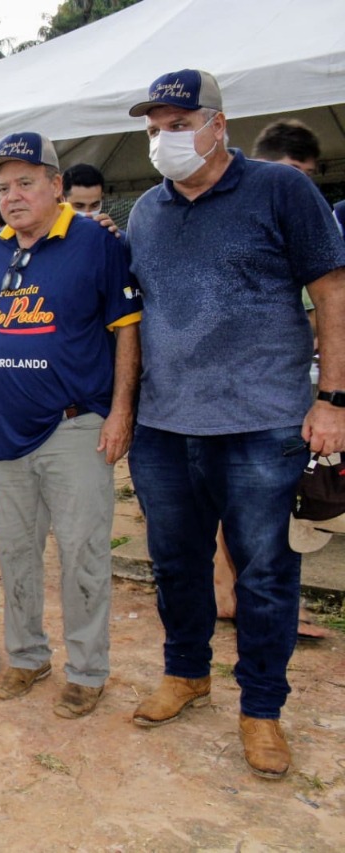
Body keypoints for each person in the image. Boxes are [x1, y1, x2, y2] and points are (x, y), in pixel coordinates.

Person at [124, 69, 345, 779]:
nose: (166, 139)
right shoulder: (145, 212)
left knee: (266, 573)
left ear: (219, 126)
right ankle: (187, 671)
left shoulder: (281, 190)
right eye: (155, 128)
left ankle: (262, 709)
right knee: (176, 564)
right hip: (163, 426)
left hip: (262, 422)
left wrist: (333, 400)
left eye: (179, 124)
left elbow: (332, 292)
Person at [0, 132, 142, 718]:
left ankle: (87, 670)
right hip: (5, 432)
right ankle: (25, 657)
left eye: (26, 183)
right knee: (15, 552)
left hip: (76, 426)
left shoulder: (94, 242)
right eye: (4, 187)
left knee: (84, 554)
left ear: (55, 185)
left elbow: (127, 325)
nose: (15, 195)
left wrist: (121, 411)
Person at [208, 121, 333, 641]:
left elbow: (324, 299)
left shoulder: (311, 221)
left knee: (271, 519)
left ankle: (261, 612)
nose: (295, 188)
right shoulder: (225, 212)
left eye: (305, 177)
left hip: (275, 396)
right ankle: (225, 592)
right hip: (214, 397)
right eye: (288, 175)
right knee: (226, 510)